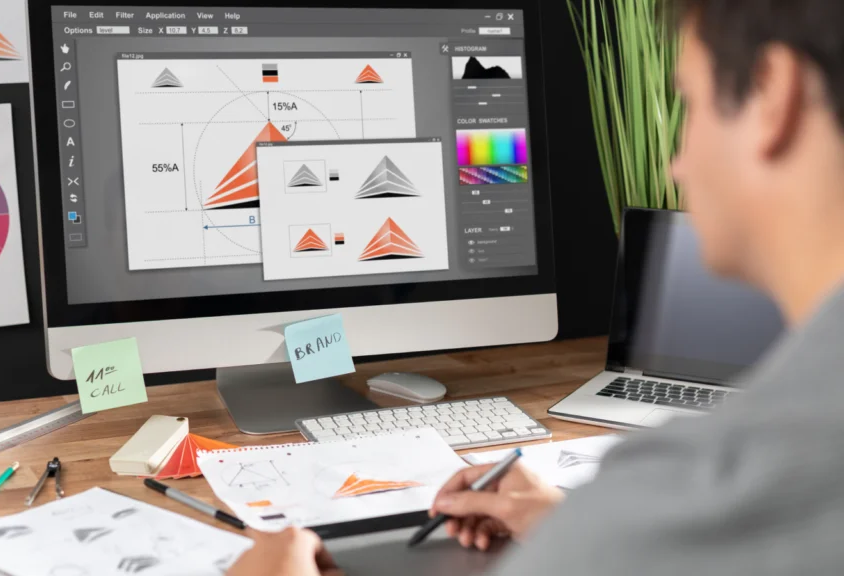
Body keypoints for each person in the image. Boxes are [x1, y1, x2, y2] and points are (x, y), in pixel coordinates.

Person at [227, 0, 844, 573]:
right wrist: (580, 528)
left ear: (772, 95)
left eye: (692, 104)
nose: (675, 164)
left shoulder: (726, 482)